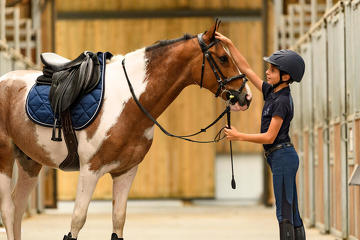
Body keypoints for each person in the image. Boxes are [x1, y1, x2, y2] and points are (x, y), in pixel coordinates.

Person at [215, 32, 306, 240]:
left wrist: (239, 136)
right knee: (291, 211)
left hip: (282, 157)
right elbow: (246, 69)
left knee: (284, 212)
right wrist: (230, 44)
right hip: (280, 158)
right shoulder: (272, 92)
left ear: (286, 76)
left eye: (272, 70)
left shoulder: (282, 101)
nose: (267, 72)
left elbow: (269, 137)